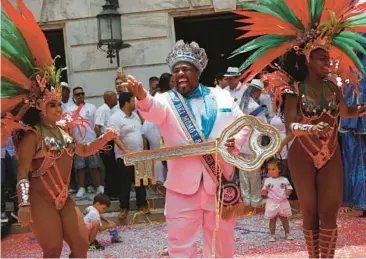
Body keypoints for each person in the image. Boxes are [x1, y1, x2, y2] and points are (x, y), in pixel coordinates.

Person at [232, 1, 366, 257]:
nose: (327, 60)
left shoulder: (333, 88)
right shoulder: (294, 90)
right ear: (307, 59)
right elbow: (291, 123)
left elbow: (346, 112)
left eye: (328, 55)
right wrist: (306, 127)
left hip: (331, 153)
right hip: (302, 155)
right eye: (321, 56)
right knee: (310, 212)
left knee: (329, 211)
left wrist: (361, 108)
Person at [0, 2, 117, 257]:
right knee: (52, 250)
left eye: (58, 103)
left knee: (81, 245)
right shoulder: (32, 136)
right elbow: (22, 173)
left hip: (65, 199)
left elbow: (84, 150)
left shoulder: (64, 132)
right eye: (51, 104)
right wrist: (24, 203)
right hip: (41, 202)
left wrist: (105, 138)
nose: (57, 108)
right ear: (41, 109)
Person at [122, 40, 252, 258]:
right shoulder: (165, 100)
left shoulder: (221, 96)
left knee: (222, 245)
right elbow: (151, 111)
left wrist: (235, 142)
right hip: (181, 188)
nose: (180, 73)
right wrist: (142, 97)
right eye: (176, 70)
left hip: (220, 182)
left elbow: (244, 124)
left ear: (198, 72)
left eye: (186, 69)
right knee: (180, 246)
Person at [108, 92, 150, 219]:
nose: (135, 103)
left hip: (139, 156)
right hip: (124, 157)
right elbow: (115, 137)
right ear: (126, 102)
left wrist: (145, 149)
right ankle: (124, 208)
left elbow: (141, 134)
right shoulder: (115, 118)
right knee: (124, 183)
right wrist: (126, 151)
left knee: (140, 182)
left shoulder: (136, 116)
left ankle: (142, 204)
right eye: (133, 101)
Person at [68, 87, 104, 197]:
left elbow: (96, 125)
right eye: (77, 94)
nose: (80, 96)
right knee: (79, 167)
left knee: (95, 166)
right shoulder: (69, 110)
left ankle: (98, 186)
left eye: (82, 93)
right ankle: (82, 188)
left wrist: (99, 140)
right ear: (73, 96)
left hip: (91, 141)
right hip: (77, 142)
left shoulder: (92, 108)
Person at [237, 79, 267, 208]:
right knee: (254, 172)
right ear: (256, 92)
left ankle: (246, 198)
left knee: (243, 173)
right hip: (253, 144)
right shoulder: (255, 107)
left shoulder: (240, 105)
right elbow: (264, 126)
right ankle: (255, 199)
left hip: (241, 144)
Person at [261, 157, 294, 242]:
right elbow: (264, 191)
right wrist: (264, 191)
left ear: (279, 169)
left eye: (273, 169)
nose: (271, 171)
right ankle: (272, 234)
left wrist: (287, 192)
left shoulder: (284, 179)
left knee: (284, 219)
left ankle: (287, 233)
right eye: (269, 169)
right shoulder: (267, 180)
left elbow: (289, 188)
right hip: (272, 202)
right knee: (272, 219)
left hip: (282, 201)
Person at [95, 91, 119, 198]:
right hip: (105, 142)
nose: (116, 99)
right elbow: (97, 128)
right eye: (114, 97)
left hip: (110, 141)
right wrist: (104, 144)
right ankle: (110, 193)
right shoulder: (102, 110)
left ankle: (113, 191)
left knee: (113, 168)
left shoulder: (110, 109)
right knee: (109, 168)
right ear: (108, 98)